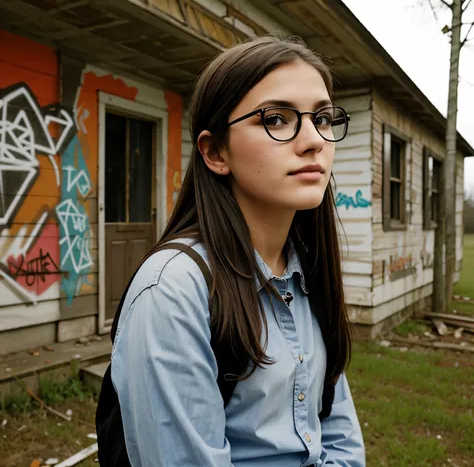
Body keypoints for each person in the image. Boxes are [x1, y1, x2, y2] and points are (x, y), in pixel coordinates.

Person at [111, 34, 365, 467]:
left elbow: (338, 432)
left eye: (323, 118)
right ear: (214, 152)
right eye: (277, 119)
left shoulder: (309, 272)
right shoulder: (173, 291)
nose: (314, 140)